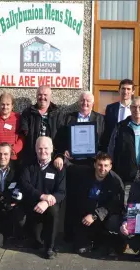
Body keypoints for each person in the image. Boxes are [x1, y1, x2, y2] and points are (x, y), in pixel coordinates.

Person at [53, 91, 105, 241]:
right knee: (72, 201)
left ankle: (86, 236)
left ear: (93, 103)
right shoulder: (68, 118)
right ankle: (69, 236)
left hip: (91, 165)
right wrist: (63, 153)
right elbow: (60, 140)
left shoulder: (100, 119)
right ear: (78, 102)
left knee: (88, 200)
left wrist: (96, 154)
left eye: (88, 101)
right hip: (72, 165)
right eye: (82, 100)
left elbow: (104, 142)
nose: (85, 103)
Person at [19, 136, 66, 259]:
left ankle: (50, 247)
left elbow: (61, 192)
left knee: (53, 210)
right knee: (36, 241)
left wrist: (46, 202)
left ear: (51, 149)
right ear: (35, 149)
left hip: (49, 206)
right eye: (40, 148)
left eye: (46, 148)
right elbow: (25, 185)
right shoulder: (28, 165)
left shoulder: (58, 167)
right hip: (32, 204)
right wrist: (41, 196)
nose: (42, 151)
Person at [73, 152, 125, 256]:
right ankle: (91, 241)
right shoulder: (85, 174)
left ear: (110, 166)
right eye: (100, 165)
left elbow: (115, 204)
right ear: (95, 165)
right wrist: (60, 158)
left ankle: (112, 242)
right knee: (78, 247)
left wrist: (95, 215)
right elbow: (70, 167)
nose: (102, 168)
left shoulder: (115, 181)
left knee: (113, 222)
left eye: (106, 165)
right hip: (86, 212)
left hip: (105, 214)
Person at [20, 85, 63, 166]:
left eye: (45, 95)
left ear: (50, 97)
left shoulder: (58, 114)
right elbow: (23, 136)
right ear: (36, 96)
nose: (42, 97)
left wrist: (60, 156)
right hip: (31, 158)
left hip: (52, 158)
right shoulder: (28, 113)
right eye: (40, 94)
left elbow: (62, 138)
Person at [102, 79, 135, 151]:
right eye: (123, 88)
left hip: (131, 147)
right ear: (119, 90)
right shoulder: (110, 108)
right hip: (113, 147)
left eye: (128, 89)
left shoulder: (136, 108)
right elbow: (107, 129)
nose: (125, 91)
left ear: (133, 92)